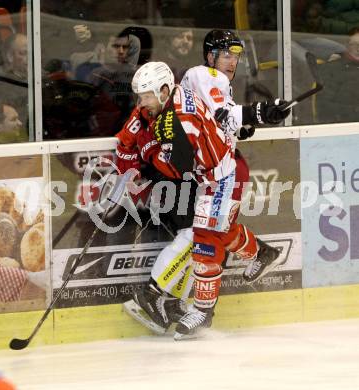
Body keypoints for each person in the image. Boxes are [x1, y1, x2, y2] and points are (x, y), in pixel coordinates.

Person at [116, 59, 290, 339]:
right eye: (140, 96)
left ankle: (203, 311)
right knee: (217, 232)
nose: (141, 102)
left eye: (146, 96)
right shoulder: (168, 100)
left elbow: (176, 169)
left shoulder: (177, 122)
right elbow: (134, 131)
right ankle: (261, 252)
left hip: (218, 178)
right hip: (207, 174)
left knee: (205, 241)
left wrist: (147, 153)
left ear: (163, 90)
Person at [316, 26, 359, 123]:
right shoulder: (331, 69)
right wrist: (355, 110)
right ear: (346, 45)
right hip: (342, 127)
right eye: (355, 44)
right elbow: (324, 106)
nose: (358, 48)